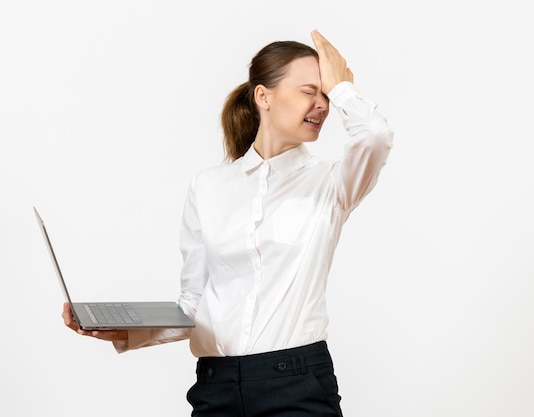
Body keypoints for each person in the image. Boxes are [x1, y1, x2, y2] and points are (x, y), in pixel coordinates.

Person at [62, 29, 393, 416]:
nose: (322, 105)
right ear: (263, 96)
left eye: (326, 95)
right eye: (310, 92)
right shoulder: (209, 187)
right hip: (215, 387)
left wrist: (342, 88)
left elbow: (374, 135)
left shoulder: (332, 184)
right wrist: (127, 332)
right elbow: (194, 305)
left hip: (298, 384)